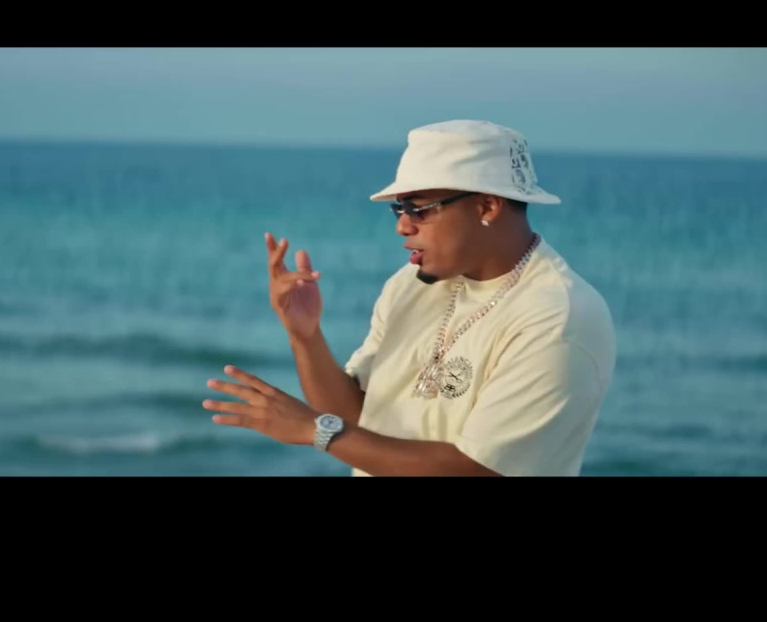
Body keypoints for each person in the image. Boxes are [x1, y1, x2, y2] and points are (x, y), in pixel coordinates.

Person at [202, 119, 615, 476]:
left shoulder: (558, 318)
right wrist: (306, 337)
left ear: (487, 206)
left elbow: (476, 470)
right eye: (399, 209)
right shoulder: (410, 286)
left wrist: (316, 430)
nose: (402, 226)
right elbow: (356, 416)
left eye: (419, 208)